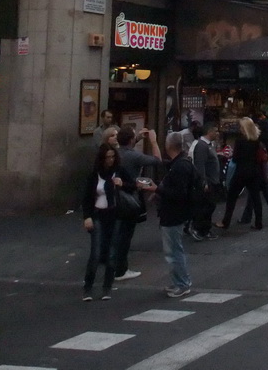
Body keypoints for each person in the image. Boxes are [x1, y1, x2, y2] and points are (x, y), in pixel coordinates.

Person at [141, 131, 194, 298]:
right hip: (176, 212)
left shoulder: (179, 166)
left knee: (173, 251)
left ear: (169, 146)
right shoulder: (181, 163)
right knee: (174, 249)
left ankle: (182, 283)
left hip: (173, 213)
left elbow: (178, 193)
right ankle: (181, 281)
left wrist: (157, 189)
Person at [80, 143, 133, 300]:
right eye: (107, 157)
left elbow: (133, 186)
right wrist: (87, 216)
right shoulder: (95, 174)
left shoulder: (119, 172)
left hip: (114, 215)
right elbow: (87, 197)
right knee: (95, 253)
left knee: (111, 252)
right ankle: (88, 286)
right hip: (98, 214)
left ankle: (107, 287)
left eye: (112, 157)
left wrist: (122, 184)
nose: (110, 160)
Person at [112, 126, 162, 280]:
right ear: (131, 140)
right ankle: (121, 270)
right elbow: (157, 161)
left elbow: (128, 145)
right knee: (126, 234)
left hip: (114, 196)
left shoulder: (116, 153)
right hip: (129, 196)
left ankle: (114, 265)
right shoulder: (134, 156)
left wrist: (138, 137)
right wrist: (153, 142)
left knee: (117, 231)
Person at [215, 117, 265, 230]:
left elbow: (236, 158)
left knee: (232, 197)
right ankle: (258, 223)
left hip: (241, 172)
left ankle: (225, 221)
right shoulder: (256, 141)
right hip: (254, 171)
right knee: (256, 198)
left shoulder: (240, 141)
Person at [189, 120, 222, 241]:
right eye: (215, 131)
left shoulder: (208, 145)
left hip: (213, 181)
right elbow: (200, 165)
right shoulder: (202, 146)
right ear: (209, 132)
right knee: (205, 206)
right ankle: (199, 228)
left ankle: (205, 229)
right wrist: (204, 182)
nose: (217, 133)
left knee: (210, 206)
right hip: (208, 182)